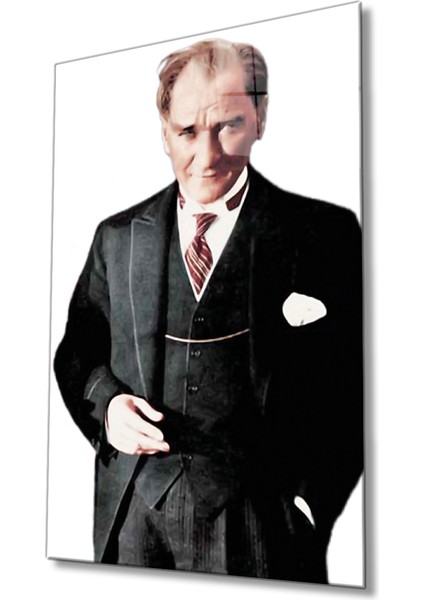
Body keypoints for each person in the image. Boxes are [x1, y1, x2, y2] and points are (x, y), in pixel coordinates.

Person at [54, 38, 363, 583]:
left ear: (260, 117)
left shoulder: (323, 235)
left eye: (228, 127)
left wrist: (309, 505)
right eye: (187, 132)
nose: (207, 156)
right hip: (133, 519)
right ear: (163, 131)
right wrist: (108, 408)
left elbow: (358, 383)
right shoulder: (117, 239)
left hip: (263, 527)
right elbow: (78, 354)